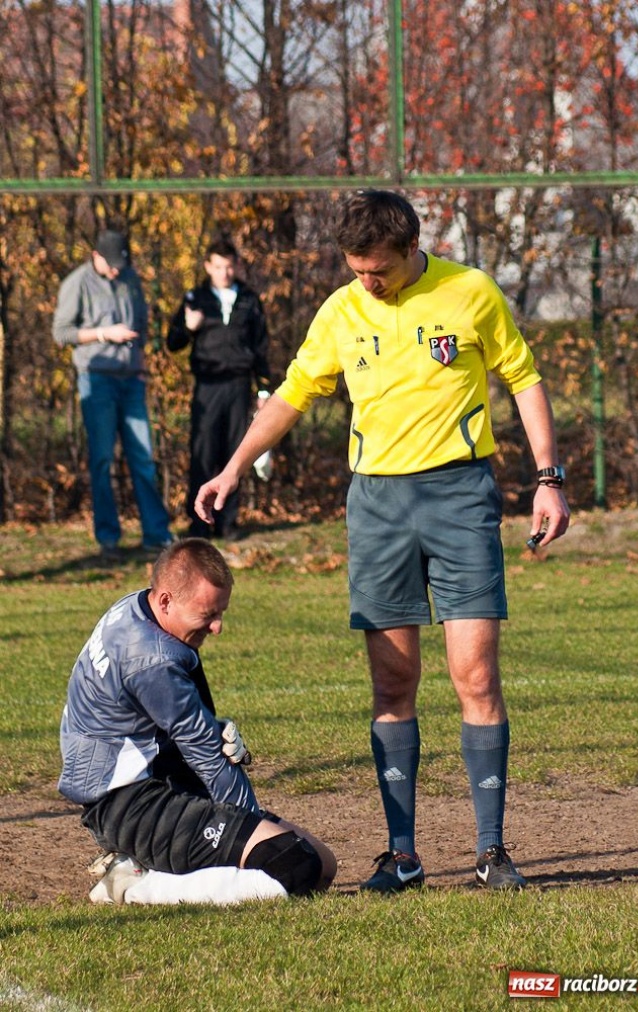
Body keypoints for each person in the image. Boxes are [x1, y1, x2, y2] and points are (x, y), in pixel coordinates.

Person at [195, 190, 571, 893]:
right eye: (356, 269)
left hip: (460, 498)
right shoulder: (340, 310)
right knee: (393, 681)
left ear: (409, 249)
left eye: (378, 270)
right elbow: (292, 393)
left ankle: (490, 851)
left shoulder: (468, 291)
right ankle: (403, 856)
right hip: (377, 507)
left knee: (476, 677)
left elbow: (523, 379)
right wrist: (233, 467)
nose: (366, 282)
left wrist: (546, 477)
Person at [58, 537, 337, 906]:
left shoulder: (137, 609)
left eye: (221, 613)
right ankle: (135, 885)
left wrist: (212, 725)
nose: (218, 627)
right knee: (294, 865)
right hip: (131, 808)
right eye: (208, 615)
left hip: (143, 787)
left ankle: (144, 870)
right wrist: (246, 821)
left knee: (323, 863)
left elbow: (164, 723)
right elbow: (206, 756)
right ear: (167, 601)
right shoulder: (154, 660)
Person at [53, 230, 173, 556]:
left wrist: (140, 357)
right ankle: (108, 538)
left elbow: (143, 319)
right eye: (112, 264)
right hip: (97, 380)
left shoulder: (130, 277)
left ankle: (156, 534)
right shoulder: (76, 283)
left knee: (143, 457)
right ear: (96, 255)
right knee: (103, 459)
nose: (118, 270)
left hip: (131, 380)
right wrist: (105, 334)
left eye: (122, 263)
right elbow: (61, 333)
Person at [167, 237, 271, 542]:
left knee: (235, 453)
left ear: (236, 266)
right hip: (207, 386)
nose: (224, 272)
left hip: (239, 385)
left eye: (229, 266)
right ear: (207, 267)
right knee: (203, 451)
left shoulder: (250, 300)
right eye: (218, 266)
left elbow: (261, 348)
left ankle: (228, 522)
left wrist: (264, 391)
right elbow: (172, 343)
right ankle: (199, 523)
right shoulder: (194, 298)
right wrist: (188, 327)